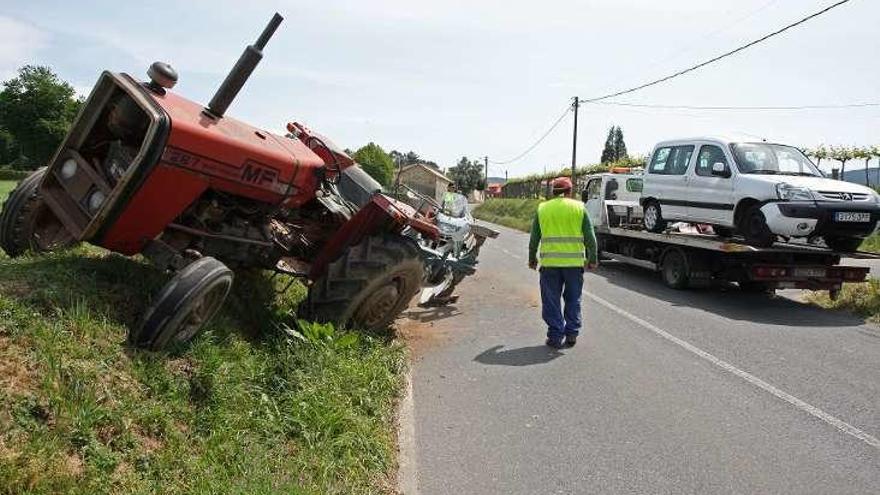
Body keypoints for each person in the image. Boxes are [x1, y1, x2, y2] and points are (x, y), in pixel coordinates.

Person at [528, 177, 598, 349]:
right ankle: (572, 333)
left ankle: (555, 336)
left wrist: (532, 258)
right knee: (573, 299)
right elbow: (590, 238)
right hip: (574, 265)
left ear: (553, 192)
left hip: (550, 265)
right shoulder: (579, 208)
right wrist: (593, 259)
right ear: (570, 191)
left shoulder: (543, 209)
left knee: (551, 300)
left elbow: (534, 237)